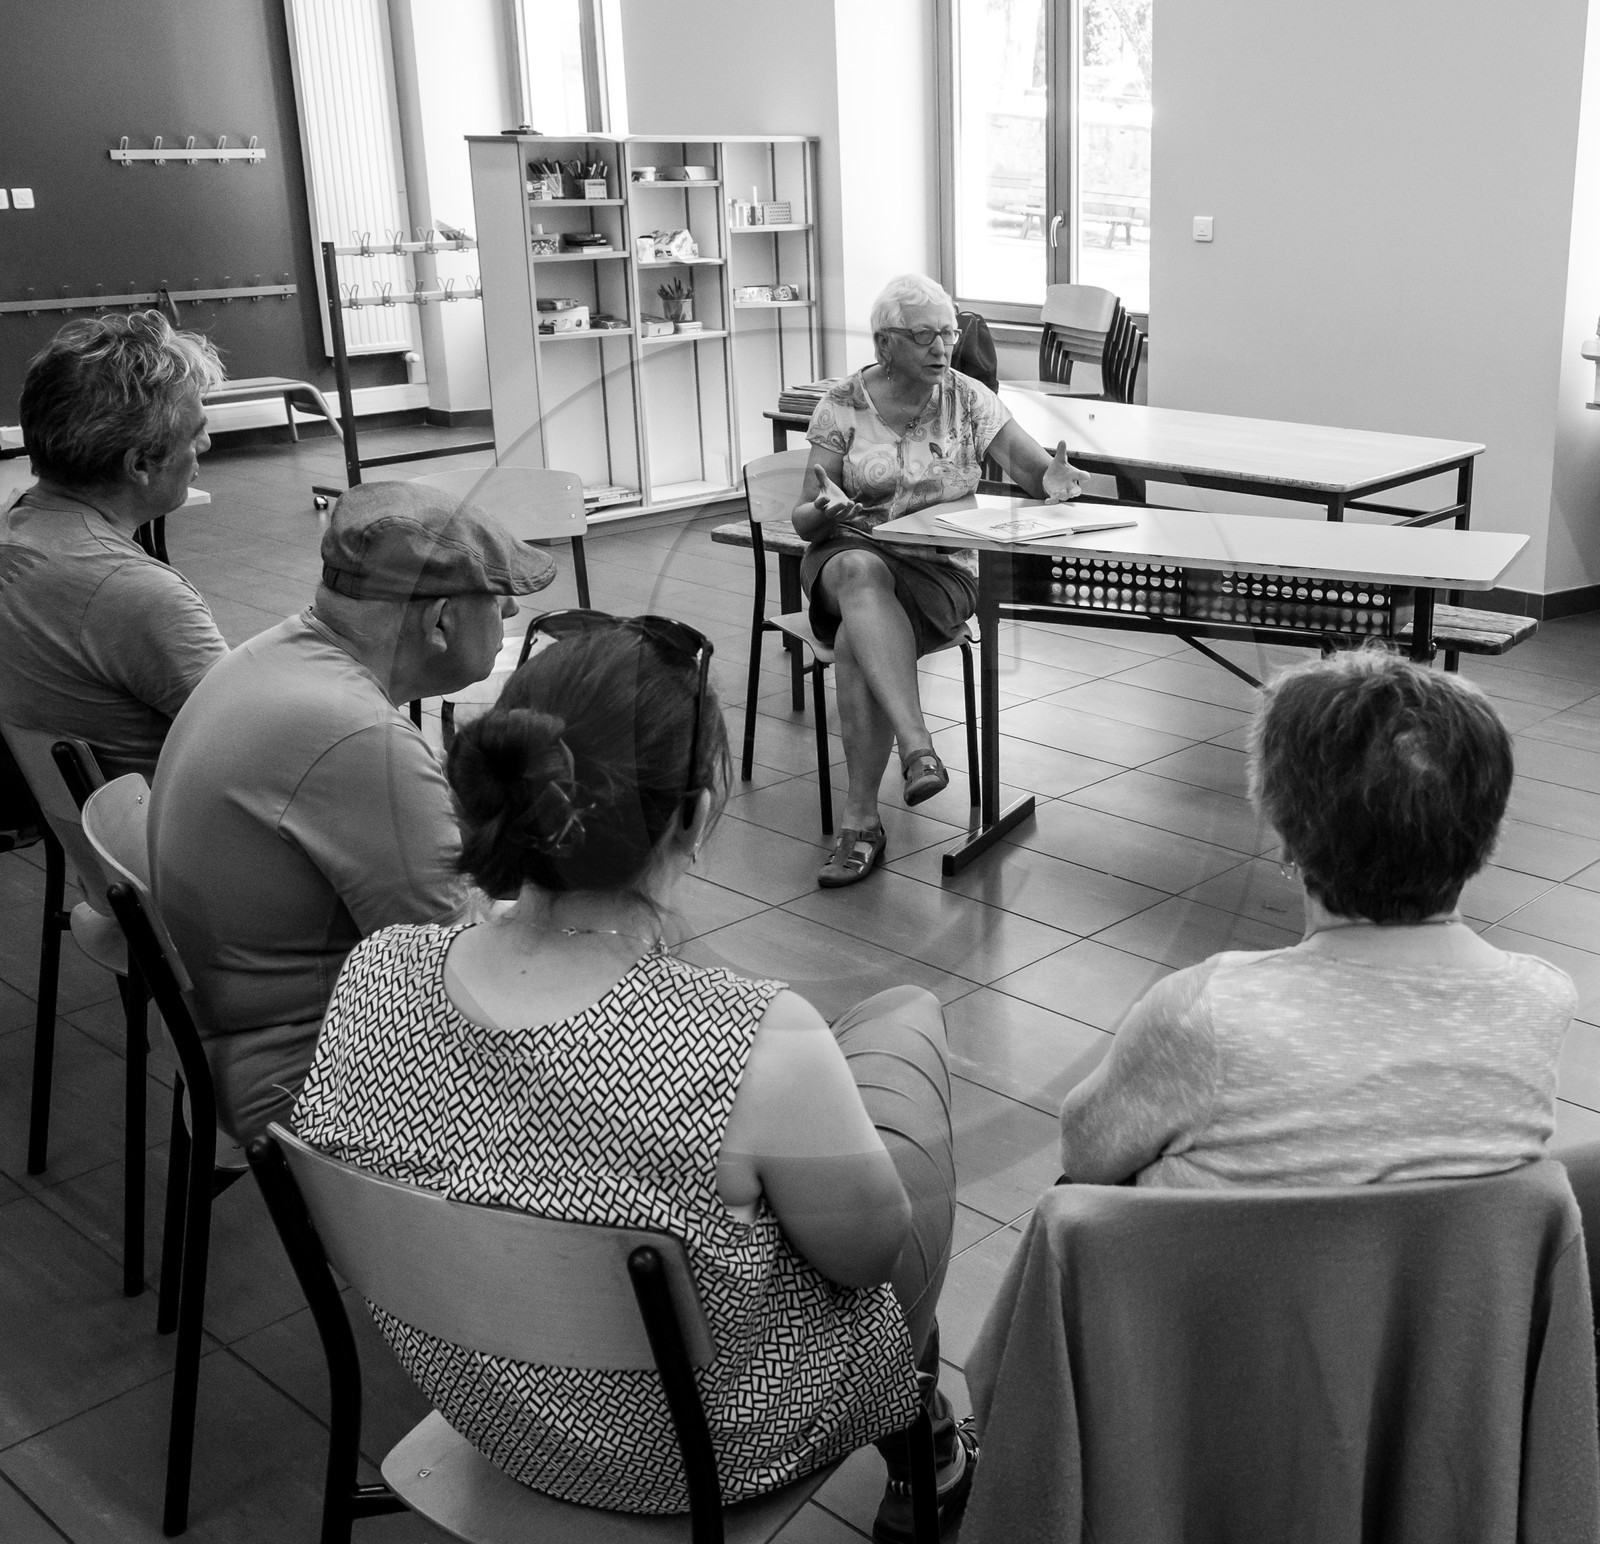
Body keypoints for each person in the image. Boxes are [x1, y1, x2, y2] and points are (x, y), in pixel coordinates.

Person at [291, 610, 975, 1544]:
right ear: (691, 817)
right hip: (712, 1450)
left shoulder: (378, 971)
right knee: (903, 1023)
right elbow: (863, 1264)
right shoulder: (752, 1039)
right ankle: (923, 1437)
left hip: (490, 1416)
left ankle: (920, 1432)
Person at [1058, 649, 1576, 1187]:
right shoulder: (1542, 1000)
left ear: (1285, 839)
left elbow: (1085, 1158)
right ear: (1489, 834)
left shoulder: (1200, 1014)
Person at [149, 480, 555, 1142]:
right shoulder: (357, 737)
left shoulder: (275, 656)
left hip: (232, 1035)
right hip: (304, 1073)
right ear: (441, 620)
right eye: (500, 600)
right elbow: (461, 977)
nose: (509, 615)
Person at [795, 273, 1092, 887]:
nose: (941, 347)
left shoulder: (969, 399)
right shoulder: (842, 403)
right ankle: (917, 745)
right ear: (886, 343)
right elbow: (804, 518)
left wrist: (1056, 479)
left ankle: (861, 824)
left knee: (857, 642)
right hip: (849, 551)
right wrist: (826, 508)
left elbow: (1035, 471)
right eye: (924, 334)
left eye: (948, 333)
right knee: (856, 569)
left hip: (941, 565)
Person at [0, 310, 228, 778]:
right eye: (194, 431)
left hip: (92, 833)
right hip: (175, 838)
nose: (204, 443)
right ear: (141, 464)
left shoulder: (13, 526)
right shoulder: (134, 593)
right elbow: (270, 741)